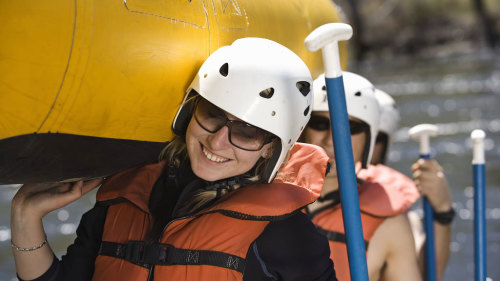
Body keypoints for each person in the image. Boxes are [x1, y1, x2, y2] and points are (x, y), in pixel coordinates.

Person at [10, 38, 337, 281]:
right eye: (212, 114)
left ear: (272, 148)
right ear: (190, 110)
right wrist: (25, 218)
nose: (218, 140)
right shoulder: (122, 195)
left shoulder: (288, 236)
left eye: (248, 132)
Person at [302, 72, 422, 281]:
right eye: (320, 123)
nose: (332, 139)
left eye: (350, 127)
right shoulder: (264, 194)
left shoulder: (391, 225)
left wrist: (442, 214)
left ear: (369, 139)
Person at [370, 89, 453, 281]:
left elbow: (425, 275)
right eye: (321, 126)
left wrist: (442, 210)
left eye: (375, 139)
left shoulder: (398, 214)